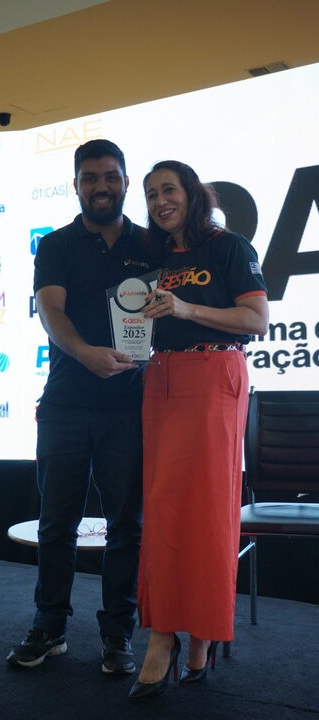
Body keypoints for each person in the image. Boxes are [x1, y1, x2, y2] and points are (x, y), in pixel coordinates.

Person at [7, 139, 154, 674]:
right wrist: (86, 353)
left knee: (126, 526)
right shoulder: (56, 244)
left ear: (125, 182)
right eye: (90, 178)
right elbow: (51, 311)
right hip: (66, 404)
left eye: (111, 176)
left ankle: (118, 634)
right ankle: (50, 626)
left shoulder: (151, 243)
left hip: (130, 408)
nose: (101, 186)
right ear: (76, 185)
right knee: (56, 524)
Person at [128, 161, 269, 700]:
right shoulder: (155, 257)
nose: (159, 200)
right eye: (150, 194)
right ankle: (167, 630)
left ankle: (195, 635)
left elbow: (256, 321)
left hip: (214, 375)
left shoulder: (228, 246)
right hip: (160, 378)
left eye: (168, 189)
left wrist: (187, 308)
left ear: (191, 194)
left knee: (207, 510)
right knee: (164, 508)